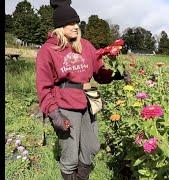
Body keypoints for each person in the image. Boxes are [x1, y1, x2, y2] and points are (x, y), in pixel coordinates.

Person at [36, 0, 126, 179]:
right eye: (70, 23)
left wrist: (117, 74)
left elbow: (98, 73)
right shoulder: (49, 50)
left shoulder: (85, 45)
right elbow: (43, 87)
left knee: (92, 146)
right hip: (65, 104)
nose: (75, 27)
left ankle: (81, 176)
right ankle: (69, 175)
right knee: (69, 155)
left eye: (76, 22)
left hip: (87, 100)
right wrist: (55, 115)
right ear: (60, 27)